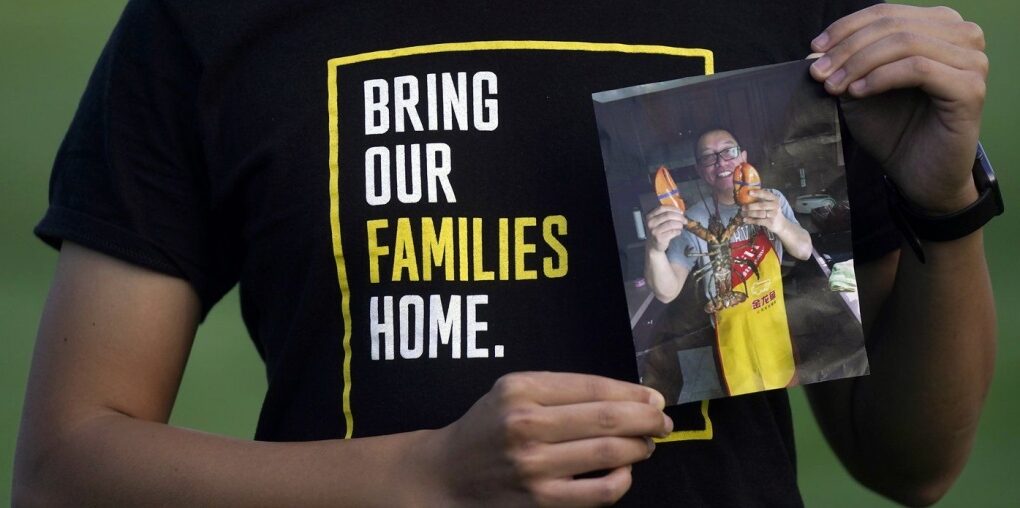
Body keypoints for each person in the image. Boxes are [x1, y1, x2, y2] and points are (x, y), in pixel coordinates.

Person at [13, 1, 996, 506]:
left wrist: (943, 205)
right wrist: (426, 478)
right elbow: (67, 466)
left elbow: (908, 462)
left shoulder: (776, 14)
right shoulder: (210, 21)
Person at [644, 128, 813, 396]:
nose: (721, 161)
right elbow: (666, 292)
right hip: (728, 337)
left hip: (776, 324)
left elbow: (804, 251)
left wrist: (779, 223)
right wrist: (654, 249)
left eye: (728, 151)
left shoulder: (772, 200)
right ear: (701, 170)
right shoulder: (687, 221)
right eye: (709, 158)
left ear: (743, 156)